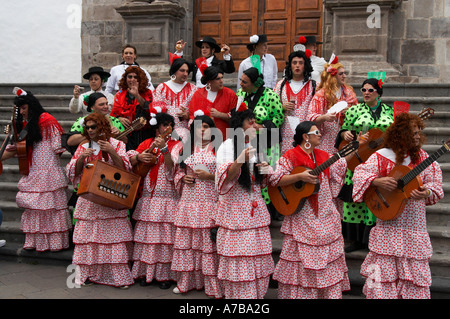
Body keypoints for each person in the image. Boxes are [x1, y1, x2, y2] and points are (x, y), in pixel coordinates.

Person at [352, 112, 444, 299]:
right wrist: (378, 181)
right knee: (382, 279)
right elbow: (359, 174)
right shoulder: (381, 155)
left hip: (414, 226)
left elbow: (435, 185)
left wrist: (425, 192)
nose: (418, 136)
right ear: (401, 135)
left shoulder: (425, 158)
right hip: (388, 224)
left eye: (419, 132)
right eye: (414, 133)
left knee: (414, 281)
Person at [269, 121, 354, 299]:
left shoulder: (324, 155)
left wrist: (357, 146)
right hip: (302, 214)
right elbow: (275, 180)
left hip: (325, 213)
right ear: (306, 137)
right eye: (316, 132)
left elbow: (341, 166)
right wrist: (299, 176)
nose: (320, 135)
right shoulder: (290, 156)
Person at [66, 112, 134, 288]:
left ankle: (118, 278)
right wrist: (81, 157)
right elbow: (72, 172)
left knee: (113, 240)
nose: (90, 130)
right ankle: (87, 275)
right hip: (89, 200)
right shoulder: (83, 147)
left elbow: (126, 169)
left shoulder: (117, 144)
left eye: (93, 127)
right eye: (87, 128)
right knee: (88, 239)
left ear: (102, 126)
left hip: (111, 197)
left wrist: (111, 151)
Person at [1, 88, 71, 251]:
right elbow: (14, 149)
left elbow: (58, 147)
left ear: (31, 106)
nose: (22, 112)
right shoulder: (23, 124)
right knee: (35, 209)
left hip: (47, 169)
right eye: (20, 109)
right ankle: (37, 242)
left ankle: (54, 243)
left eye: (24, 108)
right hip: (33, 169)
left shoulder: (47, 120)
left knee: (50, 208)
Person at [214, 109, 274, 299]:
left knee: (257, 253)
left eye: (255, 122)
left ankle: (256, 295)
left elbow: (260, 180)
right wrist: (240, 160)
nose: (255, 126)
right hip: (235, 209)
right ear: (239, 126)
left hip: (255, 206)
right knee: (240, 254)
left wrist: (265, 169)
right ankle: (241, 297)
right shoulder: (227, 146)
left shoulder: (257, 145)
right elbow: (224, 179)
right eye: (251, 122)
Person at [335, 78, 394, 252]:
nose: (366, 93)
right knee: (355, 199)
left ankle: (373, 238)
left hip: (381, 160)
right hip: (358, 158)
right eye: (363, 90)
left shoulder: (390, 112)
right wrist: (346, 134)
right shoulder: (354, 111)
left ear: (378, 92)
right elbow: (344, 130)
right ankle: (355, 239)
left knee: (375, 196)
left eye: (370, 90)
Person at [171, 115, 223, 298]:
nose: (203, 130)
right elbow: (176, 173)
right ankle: (186, 283)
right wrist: (182, 178)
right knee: (187, 245)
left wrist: (210, 177)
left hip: (210, 200)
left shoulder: (220, 148)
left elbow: (229, 177)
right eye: (199, 127)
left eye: (207, 126)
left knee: (209, 246)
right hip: (189, 201)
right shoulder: (184, 148)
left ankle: (213, 287)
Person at [128, 113, 181, 290]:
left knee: (166, 239)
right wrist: (139, 158)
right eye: (163, 125)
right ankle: (145, 273)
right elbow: (130, 160)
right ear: (156, 127)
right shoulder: (146, 143)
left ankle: (166, 276)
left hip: (167, 196)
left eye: (169, 125)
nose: (166, 128)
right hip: (149, 196)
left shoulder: (178, 144)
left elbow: (173, 169)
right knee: (147, 238)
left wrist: (165, 149)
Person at [237, 67, 284, 214]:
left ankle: (270, 211)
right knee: (251, 173)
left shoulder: (270, 95)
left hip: (267, 142)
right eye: (240, 80)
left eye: (244, 82)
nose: (241, 84)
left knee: (266, 173)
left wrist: (262, 126)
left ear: (254, 83)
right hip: (248, 141)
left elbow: (279, 117)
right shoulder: (240, 94)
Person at [307, 54, 358, 154]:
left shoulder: (349, 92)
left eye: (345, 73)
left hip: (345, 136)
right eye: (341, 74)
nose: (345, 76)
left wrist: (350, 111)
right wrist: (325, 117)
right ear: (333, 76)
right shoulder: (321, 94)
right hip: (326, 137)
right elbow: (310, 117)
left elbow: (358, 111)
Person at [274, 49, 316, 155]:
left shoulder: (314, 86)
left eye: (301, 63)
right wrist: (282, 107)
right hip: (286, 133)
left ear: (305, 66)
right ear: (290, 66)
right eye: (294, 63)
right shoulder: (280, 85)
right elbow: (272, 107)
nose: (297, 66)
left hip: (306, 133)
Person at [152, 56, 197, 141]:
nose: (185, 74)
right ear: (174, 71)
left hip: (186, 134)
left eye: (187, 71)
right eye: (182, 70)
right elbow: (156, 111)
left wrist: (188, 115)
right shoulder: (162, 88)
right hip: (165, 133)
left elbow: (198, 111)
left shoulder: (193, 89)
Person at [188, 66, 238, 140]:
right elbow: (192, 117)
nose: (221, 81)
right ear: (209, 81)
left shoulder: (230, 94)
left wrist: (220, 115)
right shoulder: (198, 95)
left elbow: (236, 119)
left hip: (224, 139)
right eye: (218, 79)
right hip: (203, 141)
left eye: (222, 78)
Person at [110, 65, 153, 151]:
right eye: (130, 77)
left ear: (140, 79)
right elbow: (113, 115)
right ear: (125, 79)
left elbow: (149, 109)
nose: (132, 79)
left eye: (135, 77)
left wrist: (136, 95)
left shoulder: (148, 92)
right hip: (125, 134)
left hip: (143, 133)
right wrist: (119, 118)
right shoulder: (119, 94)